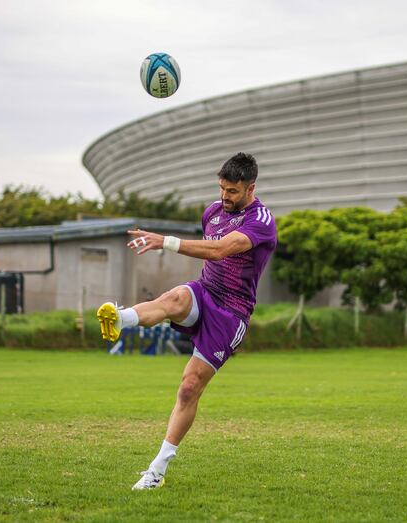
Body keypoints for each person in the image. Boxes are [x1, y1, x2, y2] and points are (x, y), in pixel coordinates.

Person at [96, 152, 277, 490]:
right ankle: (121, 318)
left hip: (232, 313)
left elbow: (220, 250)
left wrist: (164, 241)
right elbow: (210, 253)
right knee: (174, 299)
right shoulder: (212, 211)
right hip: (204, 292)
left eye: (233, 191)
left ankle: (158, 469)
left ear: (251, 188)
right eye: (222, 188)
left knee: (189, 387)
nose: (224, 196)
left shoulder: (262, 221)